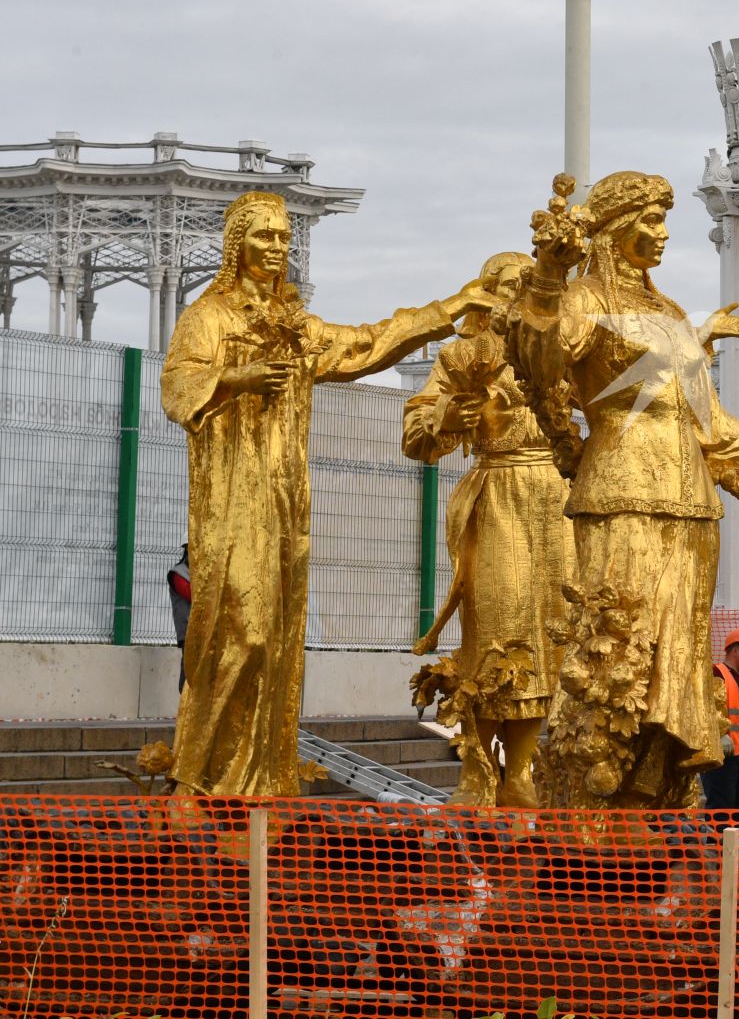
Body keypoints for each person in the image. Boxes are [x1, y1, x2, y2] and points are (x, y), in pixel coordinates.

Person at [509, 171, 739, 808]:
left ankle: (652, 788)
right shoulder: (582, 298)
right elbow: (540, 358)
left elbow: (710, 425)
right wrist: (548, 280)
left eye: (667, 221)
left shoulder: (670, 314)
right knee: (619, 647)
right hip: (619, 495)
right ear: (612, 229)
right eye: (650, 221)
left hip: (691, 505)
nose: (663, 235)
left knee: (677, 653)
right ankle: (594, 791)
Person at [160, 191, 497, 796]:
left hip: (286, 505)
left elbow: (369, 342)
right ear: (237, 244)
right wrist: (238, 377)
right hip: (233, 503)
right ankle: (195, 778)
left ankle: (260, 780)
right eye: (265, 236)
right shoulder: (210, 315)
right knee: (242, 632)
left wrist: (449, 308)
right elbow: (178, 388)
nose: (277, 248)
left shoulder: (295, 327)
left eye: (285, 238)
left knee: (278, 643)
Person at [403, 252, 575, 808]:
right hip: (498, 494)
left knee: (552, 637)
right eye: (507, 288)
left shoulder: (560, 352)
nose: (517, 299)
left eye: (528, 289)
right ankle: (479, 766)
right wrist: (450, 417)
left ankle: (522, 770)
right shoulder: (463, 355)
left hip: (557, 499)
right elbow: (417, 432)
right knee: (496, 630)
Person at [702, 627, 739, 810]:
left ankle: (735, 837)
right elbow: (707, 706)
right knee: (721, 801)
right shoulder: (716, 672)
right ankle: (718, 838)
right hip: (721, 749)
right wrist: (719, 734)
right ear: (735, 650)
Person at [166, 544, 191, 691]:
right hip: (188, 629)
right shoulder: (178, 573)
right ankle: (185, 702)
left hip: (205, 629)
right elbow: (193, 594)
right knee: (189, 668)